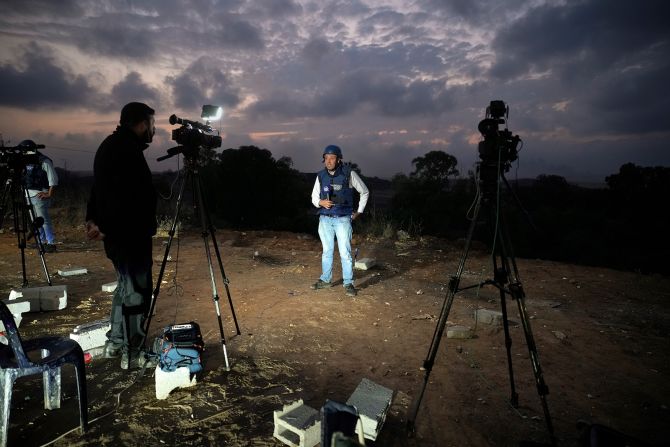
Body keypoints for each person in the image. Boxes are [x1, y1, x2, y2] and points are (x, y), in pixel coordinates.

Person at [85, 102, 157, 370]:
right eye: (152, 124)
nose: (154, 130)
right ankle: (134, 353)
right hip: (128, 235)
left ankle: (115, 343)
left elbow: (98, 188)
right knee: (136, 293)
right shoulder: (125, 150)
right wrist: (105, 224)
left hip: (119, 233)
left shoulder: (111, 145)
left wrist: (93, 219)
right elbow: (120, 198)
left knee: (125, 288)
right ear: (141, 123)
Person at [311, 145, 369, 297]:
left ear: (339, 159)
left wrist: (359, 211)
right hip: (324, 219)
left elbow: (364, 191)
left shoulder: (349, 174)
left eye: (332, 158)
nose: (329, 161)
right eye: (326, 158)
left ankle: (348, 283)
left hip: (343, 219)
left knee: (345, 253)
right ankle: (325, 280)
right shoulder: (320, 176)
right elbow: (314, 197)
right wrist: (320, 203)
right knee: (327, 252)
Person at [23, 142, 59, 253]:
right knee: (35, 222)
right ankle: (41, 242)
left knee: (44, 221)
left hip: (39, 195)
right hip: (28, 194)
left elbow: (53, 179)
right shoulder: (26, 161)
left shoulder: (44, 161)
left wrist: (49, 193)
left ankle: (51, 243)